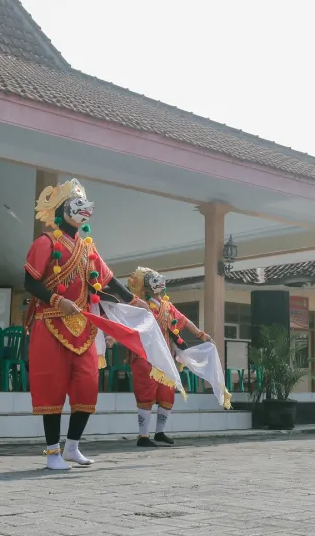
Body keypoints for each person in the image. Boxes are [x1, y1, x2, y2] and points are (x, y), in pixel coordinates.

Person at [23, 178, 150, 471]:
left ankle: (72, 447)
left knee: (87, 387)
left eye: (84, 205)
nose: (83, 210)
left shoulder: (87, 248)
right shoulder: (45, 243)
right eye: (76, 205)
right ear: (62, 210)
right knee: (52, 389)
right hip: (51, 324)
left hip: (83, 327)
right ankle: (52, 453)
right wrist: (56, 300)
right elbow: (29, 281)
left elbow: (108, 281)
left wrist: (132, 300)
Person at [126, 266, 212, 447]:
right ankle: (143, 436)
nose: (159, 283)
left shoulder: (167, 306)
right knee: (146, 392)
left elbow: (184, 320)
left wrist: (200, 335)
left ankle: (160, 432)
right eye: (154, 280)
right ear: (146, 286)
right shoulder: (139, 305)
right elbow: (126, 323)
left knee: (167, 393)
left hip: (165, 357)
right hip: (145, 356)